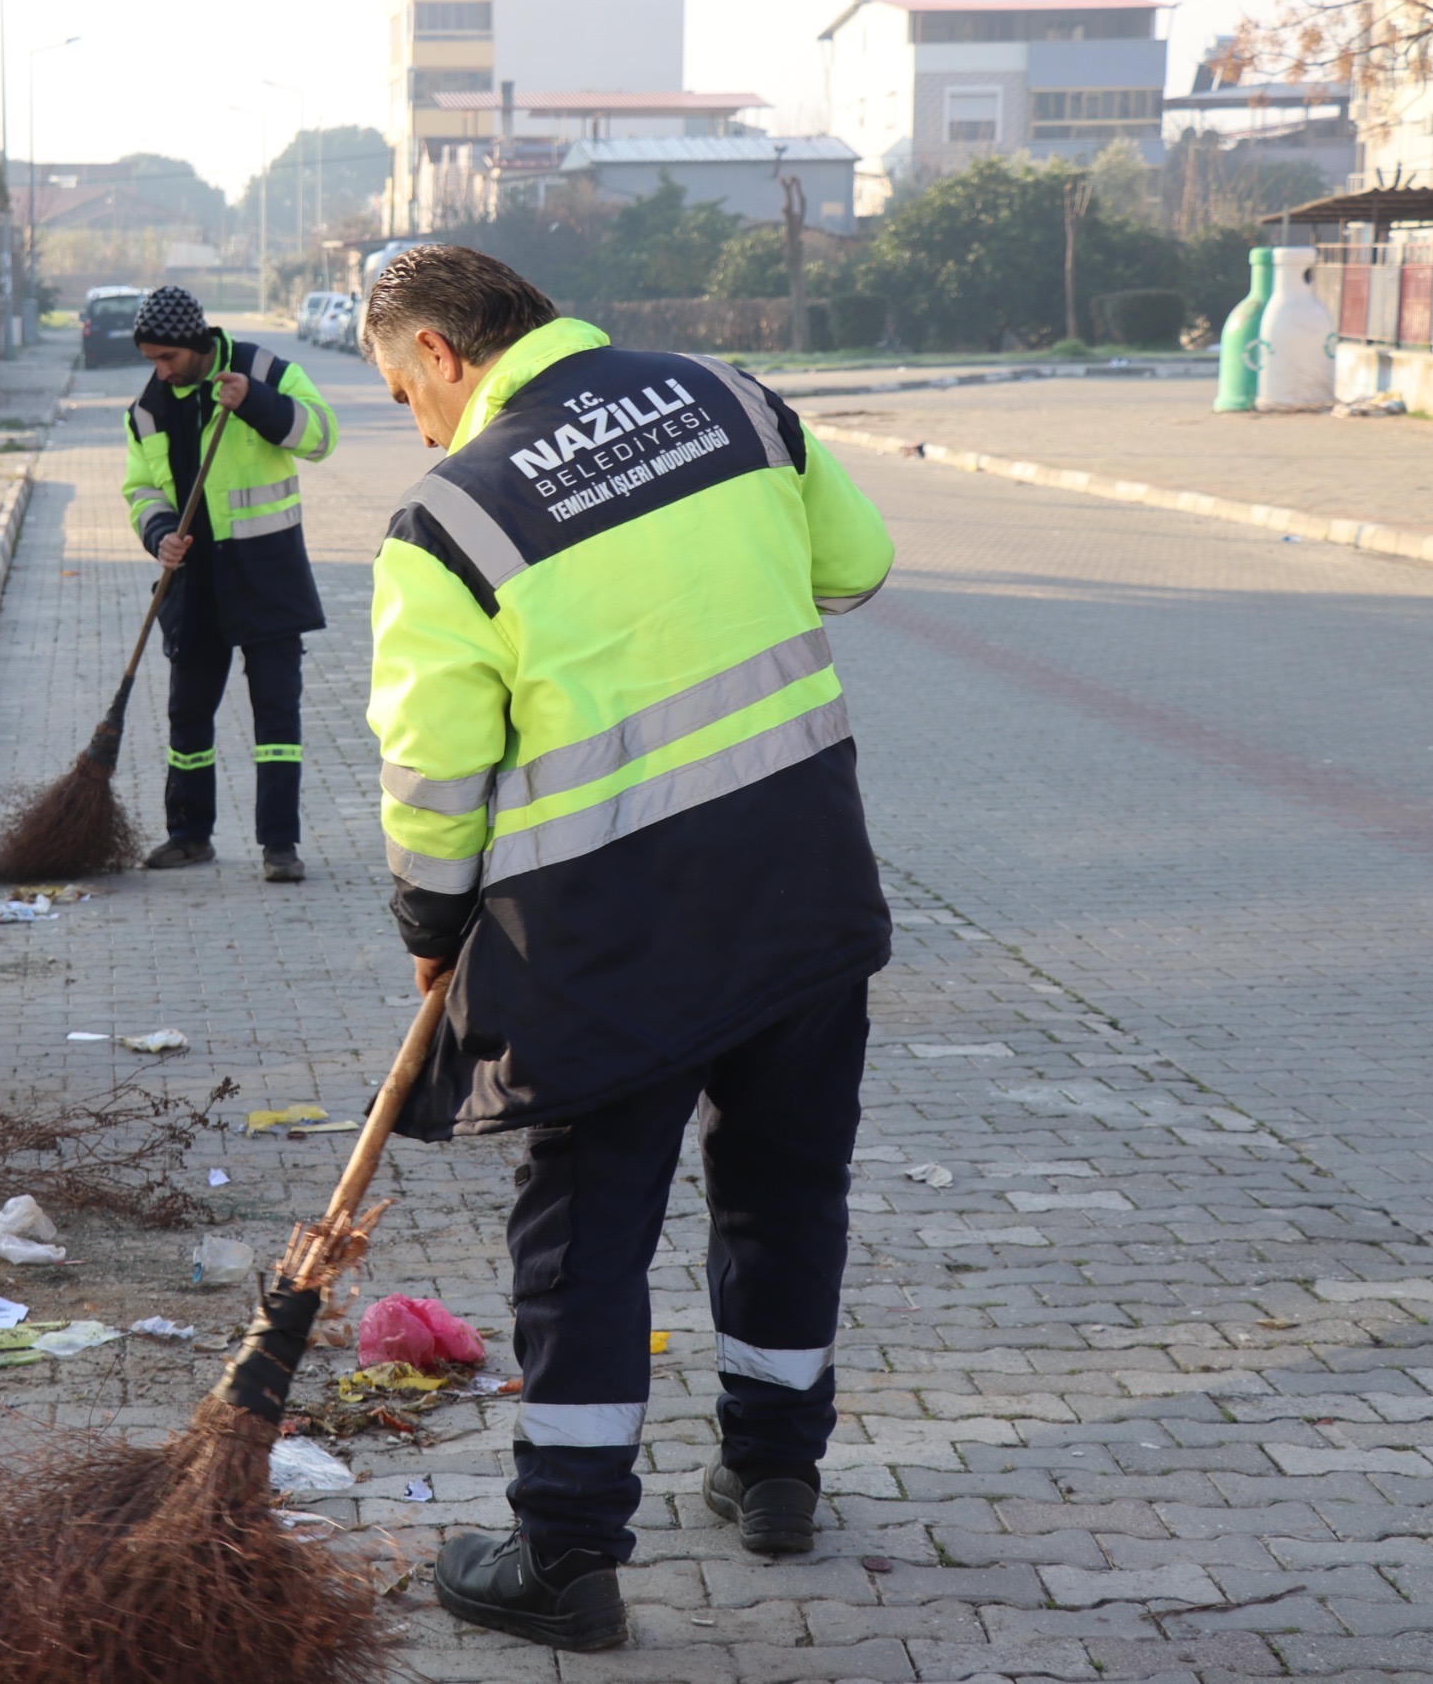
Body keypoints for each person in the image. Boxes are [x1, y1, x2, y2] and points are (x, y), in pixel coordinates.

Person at [359, 246, 896, 1651]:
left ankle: (567, 1552)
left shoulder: (452, 519)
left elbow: (433, 778)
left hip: (606, 941)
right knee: (786, 1185)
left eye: (400, 391)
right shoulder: (734, 398)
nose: (415, 425)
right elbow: (860, 565)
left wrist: (429, 930)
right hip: (800, 887)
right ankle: (777, 1473)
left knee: (588, 1234)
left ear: (437, 355)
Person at [120, 284, 337, 882]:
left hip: (268, 575)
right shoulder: (146, 410)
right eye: (152, 361)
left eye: (167, 358)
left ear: (194, 345)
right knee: (187, 715)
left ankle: (280, 847)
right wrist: (159, 533)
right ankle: (189, 836)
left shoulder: (262, 369)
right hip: (194, 585)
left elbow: (321, 436)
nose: (160, 372)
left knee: (277, 719)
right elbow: (140, 489)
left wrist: (258, 403)